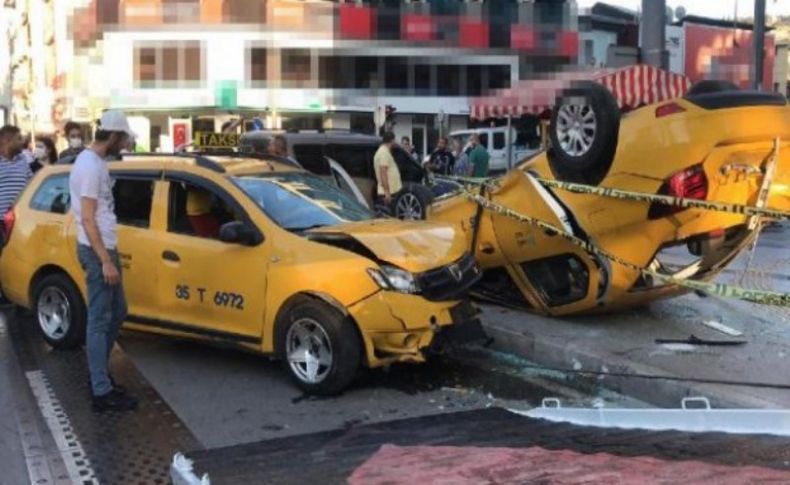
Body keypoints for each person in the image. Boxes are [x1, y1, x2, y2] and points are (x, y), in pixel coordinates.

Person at [69, 110, 138, 412]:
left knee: (118, 310)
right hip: (98, 252)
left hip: (105, 249)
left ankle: (99, 374)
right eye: (121, 138)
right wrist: (104, 261)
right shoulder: (90, 167)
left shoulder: (97, 163)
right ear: (112, 137)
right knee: (99, 320)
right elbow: (87, 217)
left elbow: (94, 213)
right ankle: (100, 391)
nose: (123, 143)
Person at [0, 125, 33, 232]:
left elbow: (32, 185)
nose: (22, 142)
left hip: (20, 222)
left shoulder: (23, 161)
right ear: (7, 140)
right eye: (18, 138)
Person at [374, 131, 402, 211]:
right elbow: (383, 173)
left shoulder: (383, 152)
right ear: (392, 140)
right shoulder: (383, 153)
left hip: (388, 192)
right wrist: (387, 193)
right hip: (388, 194)